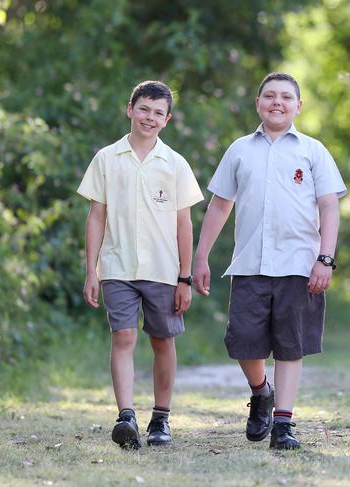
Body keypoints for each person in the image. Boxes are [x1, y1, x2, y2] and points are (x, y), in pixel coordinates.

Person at [193, 72, 347, 450]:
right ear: (258, 103)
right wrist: (201, 255)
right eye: (269, 96)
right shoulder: (240, 150)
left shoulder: (312, 151)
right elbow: (219, 204)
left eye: (285, 97)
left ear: (298, 106)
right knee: (245, 343)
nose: (277, 102)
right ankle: (261, 391)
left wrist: (325, 258)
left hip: (299, 265)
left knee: (290, 346)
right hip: (250, 264)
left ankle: (283, 424)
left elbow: (329, 206)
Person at [78, 80, 204, 449]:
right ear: (130, 109)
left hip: (164, 270)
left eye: (158, 113)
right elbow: (96, 217)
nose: (150, 117)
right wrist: (92, 270)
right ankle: (126, 417)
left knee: (163, 341)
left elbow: (184, 224)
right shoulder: (106, 158)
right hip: (117, 267)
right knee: (123, 336)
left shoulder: (175, 164)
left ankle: (161, 419)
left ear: (167, 119)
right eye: (144, 109)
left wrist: (185, 278)